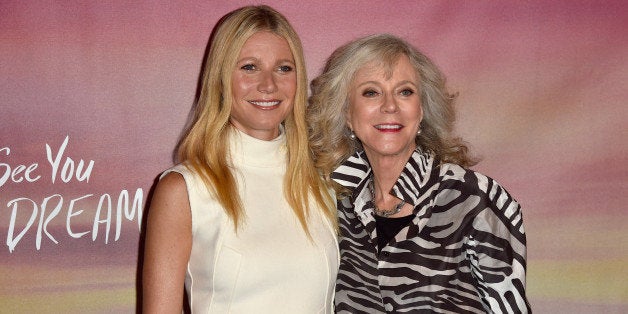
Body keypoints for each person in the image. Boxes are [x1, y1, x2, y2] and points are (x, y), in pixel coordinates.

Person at [308, 34, 530, 313]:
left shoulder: (474, 199)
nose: (390, 106)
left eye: (405, 92)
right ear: (346, 114)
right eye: (371, 92)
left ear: (421, 110)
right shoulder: (336, 204)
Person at [142, 5, 338, 313]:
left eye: (284, 68)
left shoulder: (324, 181)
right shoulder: (184, 190)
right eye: (249, 67)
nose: (268, 84)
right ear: (220, 78)